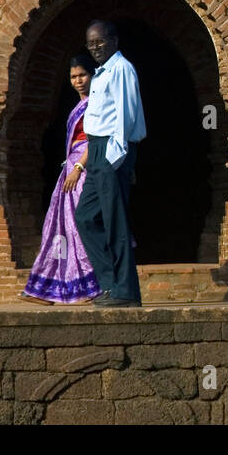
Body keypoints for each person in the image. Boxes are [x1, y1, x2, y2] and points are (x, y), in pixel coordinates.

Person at [75, 19, 147, 307]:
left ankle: (124, 291)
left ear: (114, 41)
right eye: (91, 44)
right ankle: (110, 283)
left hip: (111, 149)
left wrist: (116, 156)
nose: (95, 48)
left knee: (114, 222)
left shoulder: (121, 69)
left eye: (100, 42)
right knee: (86, 217)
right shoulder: (101, 73)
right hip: (96, 149)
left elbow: (125, 114)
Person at [20, 54, 102, 305]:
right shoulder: (79, 106)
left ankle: (92, 288)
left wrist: (78, 168)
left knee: (80, 225)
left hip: (83, 169)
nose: (78, 81)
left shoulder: (98, 104)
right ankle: (46, 289)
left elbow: (96, 138)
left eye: (82, 75)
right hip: (69, 170)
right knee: (59, 229)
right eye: (73, 77)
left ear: (93, 75)